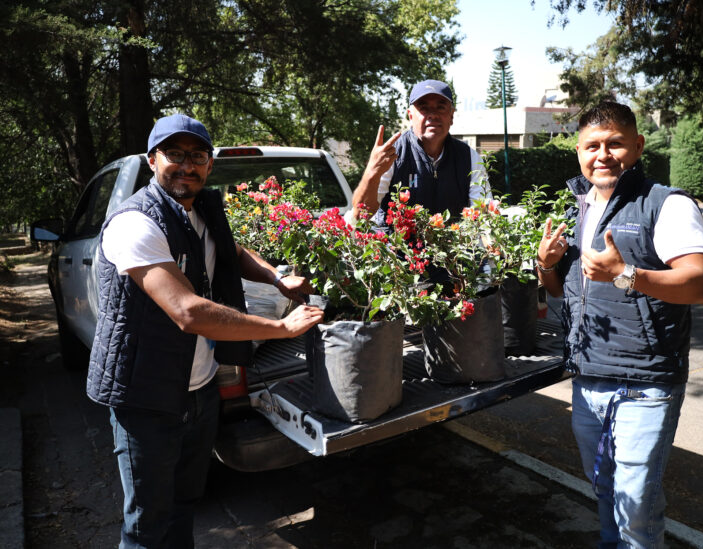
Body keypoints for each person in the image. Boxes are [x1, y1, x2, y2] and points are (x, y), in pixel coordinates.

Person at [86, 113, 324, 548]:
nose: (186, 165)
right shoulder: (136, 223)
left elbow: (232, 250)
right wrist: (280, 327)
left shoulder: (198, 213)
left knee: (184, 505)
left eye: (196, 156)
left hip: (199, 389)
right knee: (146, 524)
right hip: (146, 397)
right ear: (152, 159)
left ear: (209, 165)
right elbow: (187, 311)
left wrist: (276, 279)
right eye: (174, 154)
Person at [536, 101, 703, 548]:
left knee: (635, 503)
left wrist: (626, 273)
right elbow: (564, 292)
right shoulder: (577, 207)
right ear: (578, 152)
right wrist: (545, 266)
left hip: (646, 383)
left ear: (636, 146)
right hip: (588, 378)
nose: (603, 154)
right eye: (592, 145)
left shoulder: (666, 204)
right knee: (604, 489)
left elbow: (701, 285)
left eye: (615, 143)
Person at [348, 79, 490, 225]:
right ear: (410, 116)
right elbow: (361, 215)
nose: (433, 115)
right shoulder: (392, 154)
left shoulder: (469, 158)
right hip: (396, 247)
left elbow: (484, 219)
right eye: (424, 108)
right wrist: (372, 172)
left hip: (451, 247)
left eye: (440, 107)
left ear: (451, 115)